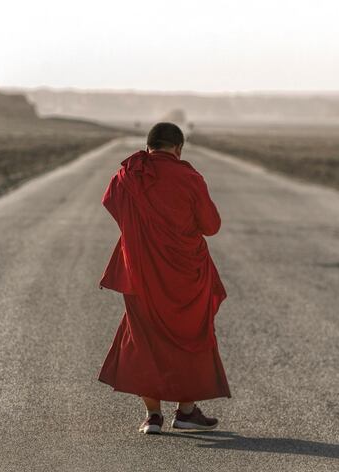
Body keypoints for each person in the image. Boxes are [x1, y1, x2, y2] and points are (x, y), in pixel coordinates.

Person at [97, 122, 230, 435]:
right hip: (185, 273)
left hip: (140, 270)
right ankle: (185, 411)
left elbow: (111, 203)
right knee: (191, 336)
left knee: (145, 338)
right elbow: (210, 225)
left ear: (148, 147)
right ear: (178, 148)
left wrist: (138, 232)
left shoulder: (127, 176)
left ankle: (153, 415)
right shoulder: (189, 177)